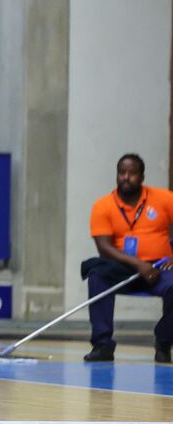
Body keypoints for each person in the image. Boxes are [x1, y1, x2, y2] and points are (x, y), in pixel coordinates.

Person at [83, 153, 173, 364]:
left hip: (159, 267)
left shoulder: (163, 198)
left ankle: (164, 340)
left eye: (132, 173)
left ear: (142, 177)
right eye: (121, 173)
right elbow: (104, 248)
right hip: (121, 267)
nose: (125, 177)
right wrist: (138, 264)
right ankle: (103, 344)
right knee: (96, 275)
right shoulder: (103, 206)